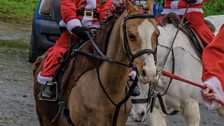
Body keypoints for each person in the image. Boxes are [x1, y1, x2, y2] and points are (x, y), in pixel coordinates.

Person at [37, 0, 113, 99]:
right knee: (58, 51)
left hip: (97, 31)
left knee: (114, 53)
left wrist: (103, 26)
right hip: (73, 31)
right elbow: (67, 8)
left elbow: (107, 9)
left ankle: (129, 78)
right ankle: (47, 82)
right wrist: (76, 28)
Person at [201, 24, 224, 109]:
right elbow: (216, 52)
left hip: (194, 18)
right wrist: (213, 84)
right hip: (166, 18)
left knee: (205, 36)